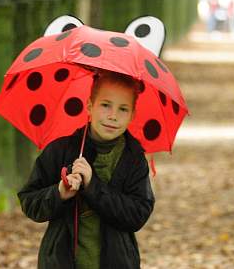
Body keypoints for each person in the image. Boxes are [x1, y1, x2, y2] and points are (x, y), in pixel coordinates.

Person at [18, 70, 155, 269]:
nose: (113, 116)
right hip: (61, 261)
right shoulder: (60, 151)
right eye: (105, 105)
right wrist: (59, 193)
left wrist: (92, 185)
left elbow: (137, 216)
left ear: (132, 115)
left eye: (123, 109)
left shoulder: (133, 160)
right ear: (90, 106)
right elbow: (29, 202)